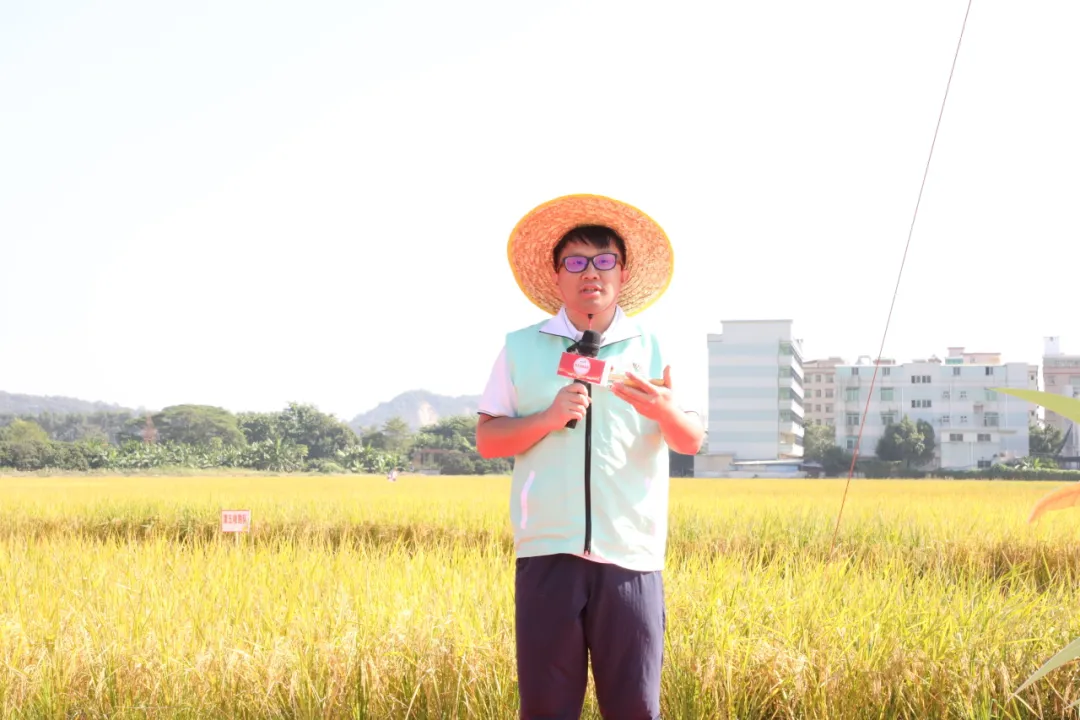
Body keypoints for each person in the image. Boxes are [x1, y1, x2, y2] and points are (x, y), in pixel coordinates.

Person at [475, 194, 705, 720]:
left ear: (623, 273)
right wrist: (547, 417)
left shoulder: (653, 348)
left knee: (635, 707)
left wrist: (666, 410)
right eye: (575, 262)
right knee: (546, 709)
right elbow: (488, 441)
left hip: (631, 554)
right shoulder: (520, 347)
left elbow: (691, 440)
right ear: (556, 276)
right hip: (547, 551)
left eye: (604, 260)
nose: (590, 273)